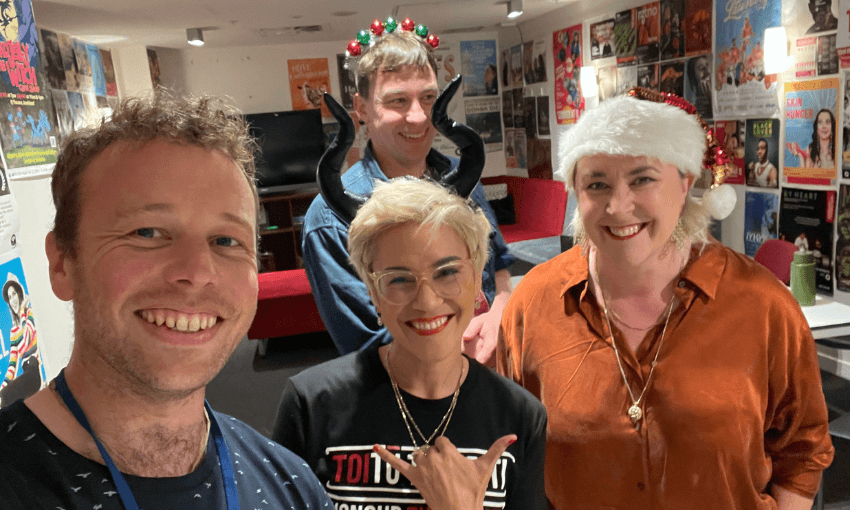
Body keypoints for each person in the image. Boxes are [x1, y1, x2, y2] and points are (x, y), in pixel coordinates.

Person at [498, 88, 833, 509]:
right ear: (575, 194)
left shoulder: (762, 304)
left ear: (685, 183)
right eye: (596, 184)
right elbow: (513, 447)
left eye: (642, 179)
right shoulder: (535, 303)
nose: (618, 206)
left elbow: (802, 449)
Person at [0, 91, 332, 509]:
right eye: (147, 233)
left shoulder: (292, 487)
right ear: (62, 263)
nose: (196, 272)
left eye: (226, 240)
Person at [274, 176, 547, 510]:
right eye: (399, 279)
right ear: (372, 292)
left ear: (477, 279)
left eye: (447, 272)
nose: (427, 302)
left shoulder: (520, 416)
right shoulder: (313, 404)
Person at [303, 21, 514, 364]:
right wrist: (465, 353)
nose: (418, 117)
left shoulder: (459, 175)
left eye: (429, 98)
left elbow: (498, 263)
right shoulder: (329, 217)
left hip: (495, 374)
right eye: (397, 101)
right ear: (361, 107)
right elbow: (367, 341)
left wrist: (500, 314)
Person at [0, 275, 44, 406]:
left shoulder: (30, 312)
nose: (13, 299)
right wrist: (1, 388)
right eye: (9, 297)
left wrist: (23, 310)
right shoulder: (13, 332)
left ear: (19, 294)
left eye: (14, 294)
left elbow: (27, 339)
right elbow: (12, 365)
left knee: (6, 396)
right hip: (25, 375)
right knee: (4, 398)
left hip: (34, 374)